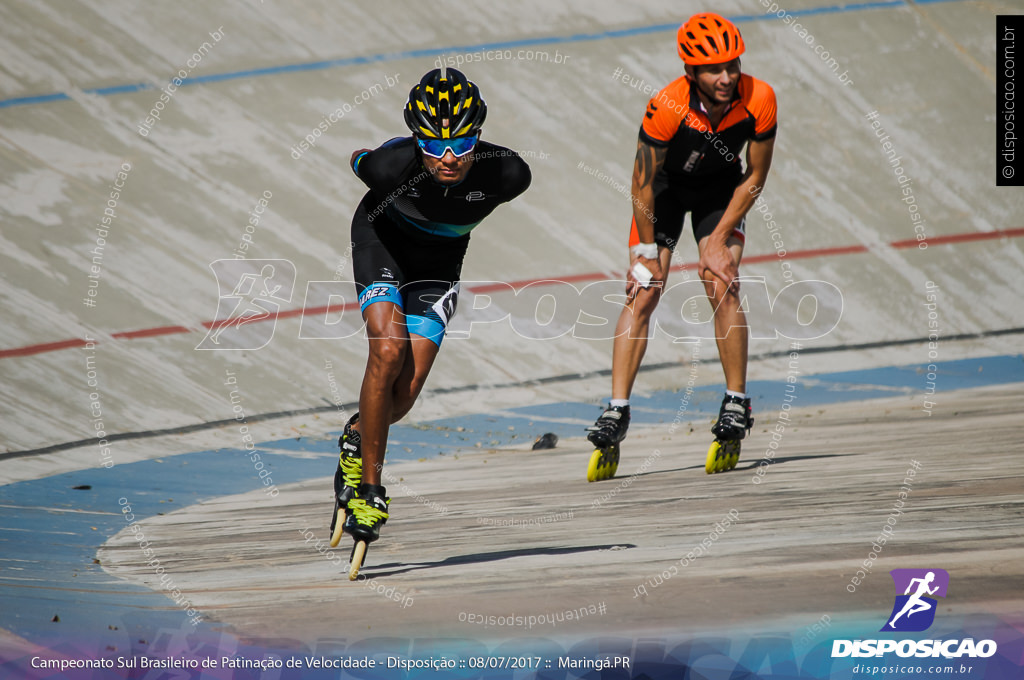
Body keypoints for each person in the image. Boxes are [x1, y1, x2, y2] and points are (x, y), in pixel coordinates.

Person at [330, 68, 531, 546]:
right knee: (387, 352)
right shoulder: (389, 167)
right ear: (416, 139)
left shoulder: (509, 173)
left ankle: (356, 439)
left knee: (406, 392)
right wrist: (372, 154)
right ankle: (371, 490)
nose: (447, 158)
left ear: (477, 139)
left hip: (438, 265)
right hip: (381, 243)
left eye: (461, 146)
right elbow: (358, 158)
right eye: (434, 145)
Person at [587, 12, 777, 452]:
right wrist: (648, 249)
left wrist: (717, 240)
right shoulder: (666, 105)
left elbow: (756, 176)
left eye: (733, 66)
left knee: (722, 281)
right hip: (665, 192)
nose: (727, 77)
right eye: (715, 69)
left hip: (720, 194)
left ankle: (736, 401)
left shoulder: (760, 97)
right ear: (690, 71)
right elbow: (642, 184)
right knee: (643, 289)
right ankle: (617, 408)